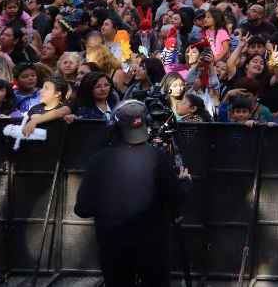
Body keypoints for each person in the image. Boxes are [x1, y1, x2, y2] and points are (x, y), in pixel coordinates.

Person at [73, 100, 191, 286]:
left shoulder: (97, 160)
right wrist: (184, 181)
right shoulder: (156, 157)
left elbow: (82, 209)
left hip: (112, 246)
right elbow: (176, 197)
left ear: (112, 127)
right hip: (152, 245)